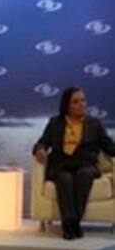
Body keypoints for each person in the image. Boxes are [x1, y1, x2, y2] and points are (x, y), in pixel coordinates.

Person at [33, 87, 115, 240]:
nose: (81, 104)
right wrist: (40, 149)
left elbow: (109, 146)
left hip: (86, 165)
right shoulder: (55, 123)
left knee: (84, 175)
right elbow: (42, 142)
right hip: (61, 165)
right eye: (76, 102)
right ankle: (71, 223)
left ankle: (71, 223)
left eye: (83, 100)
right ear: (67, 105)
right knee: (64, 179)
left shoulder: (94, 124)